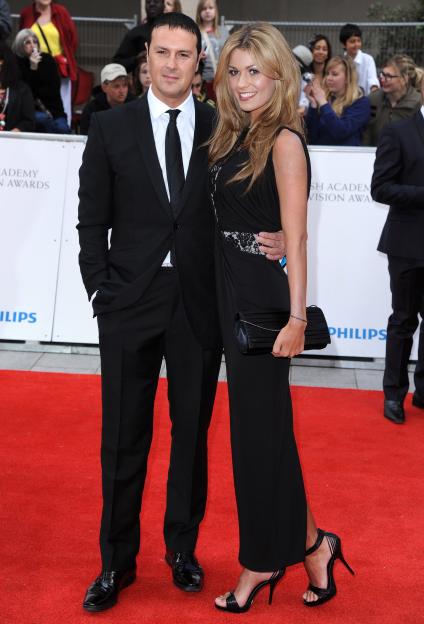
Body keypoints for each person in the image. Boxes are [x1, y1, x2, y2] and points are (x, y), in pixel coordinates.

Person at [77, 12, 285, 612]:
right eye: (162, 53)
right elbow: (92, 220)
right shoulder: (110, 128)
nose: (172, 64)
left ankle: (181, 550)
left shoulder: (223, 127)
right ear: (148, 58)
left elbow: (251, 198)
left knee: (191, 437)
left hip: (199, 306)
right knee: (122, 440)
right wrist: (99, 293)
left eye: (184, 54)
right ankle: (116, 564)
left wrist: (271, 234)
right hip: (128, 305)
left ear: (200, 61)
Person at [209, 22, 354, 613]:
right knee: (269, 439)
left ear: (278, 74)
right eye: (235, 71)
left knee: (256, 439)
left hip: (264, 306)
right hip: (226, 292)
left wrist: (296, 319)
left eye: (255, 72)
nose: (244, 83)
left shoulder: (285, 140)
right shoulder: (230, 134)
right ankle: (315, 545)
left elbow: (295, 239)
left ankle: (261, 560)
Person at [371, 78, 424, 425]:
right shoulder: (399, 131)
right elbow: (381, 188)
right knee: (403, 319)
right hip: (407, 244)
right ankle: (394, 394)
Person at [19, 0, 77, 126]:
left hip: (58, 67)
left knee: (62, 103)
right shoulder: (27, 13)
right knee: (33, 100)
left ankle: (63, 132)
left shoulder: (61, 12)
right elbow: (22, 39)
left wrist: (66, 58)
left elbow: (72, 39)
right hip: (33, 66)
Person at [13, 28, 69, 134]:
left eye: (35, 41)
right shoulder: (17, 63)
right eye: (28, 42)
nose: (33, 45)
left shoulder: (48, 60)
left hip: (52, 109)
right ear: (20, 46)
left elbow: (54, 90)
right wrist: (33, 69)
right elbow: (26, 94)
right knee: (42, 120)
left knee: (63, 129)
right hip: (29, 111)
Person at [305, 56, 370, 146]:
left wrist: (323, 102)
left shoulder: (361, 102)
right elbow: (311, 136)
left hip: (346, 157)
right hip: (320, 156)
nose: (328, 78)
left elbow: (341, 132)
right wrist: (313, 105)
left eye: (334, 74)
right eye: (327, 73)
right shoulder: (325, 99)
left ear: (348, 78)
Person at [363, 54, 422, 146]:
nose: (382, 79)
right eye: (382, 74)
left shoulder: (418, 103)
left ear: (404, 79)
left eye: (389, 76)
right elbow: (366, 132)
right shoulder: (373, 99)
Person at [80, 64, 135, 135]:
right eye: (116, 86)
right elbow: (85, 137)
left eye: (125, 85)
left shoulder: (136, 107)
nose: (122, 91)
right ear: (104, 87)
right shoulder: (92, 110)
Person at [112, 0, 164, 73]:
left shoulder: (173, 32)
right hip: (141, 82)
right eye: (148, 2)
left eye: (156, 1)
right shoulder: (135, 34)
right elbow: (116, 65)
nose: (151, 4)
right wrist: (136, 59)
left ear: (163, 4)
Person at [196, 0, 229, 100]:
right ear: (199, 12)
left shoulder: (223, 31)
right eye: (204, 9)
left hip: (221, 79)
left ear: (216, 11)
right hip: (202, 80)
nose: (207, 11)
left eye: (210, 8)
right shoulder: (195, 31)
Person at [0, 41, 35, 132]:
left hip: (12, 141)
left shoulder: (22, 89)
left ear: (3, 62)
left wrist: (14, 133)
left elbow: (28, 121)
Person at [339, 23, 379, 96]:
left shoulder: (368, 59)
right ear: (343, 44)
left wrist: (374, 91)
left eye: (359, 41)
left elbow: (372, 80)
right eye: (352, 41)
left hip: (364, 100)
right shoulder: (340, 61)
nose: (356, 44)